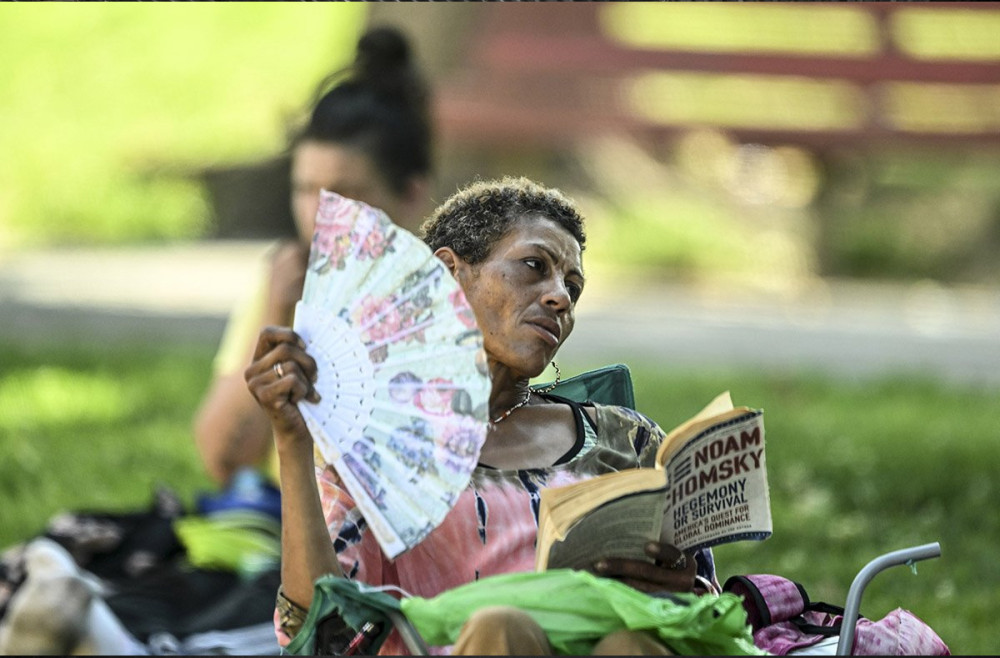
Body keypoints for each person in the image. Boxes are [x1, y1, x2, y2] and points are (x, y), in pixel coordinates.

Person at [244, 176, 721, 655]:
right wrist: (291, 443)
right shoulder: (376, 445)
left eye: (572, 287)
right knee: (501, 627)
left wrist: (683, 585)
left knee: (627, 646)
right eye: (534, 266)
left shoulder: (626, 439)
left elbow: (707, 607)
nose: (560, 298)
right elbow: (317, 631)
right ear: (449, 273)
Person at [195, 25, 434, 487]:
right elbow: (225, 463)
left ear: (411, 194)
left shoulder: (450, 302)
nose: (320, 215)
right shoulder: (284, 284)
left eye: (345, 193)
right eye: (305, 190)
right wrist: (276, 314)